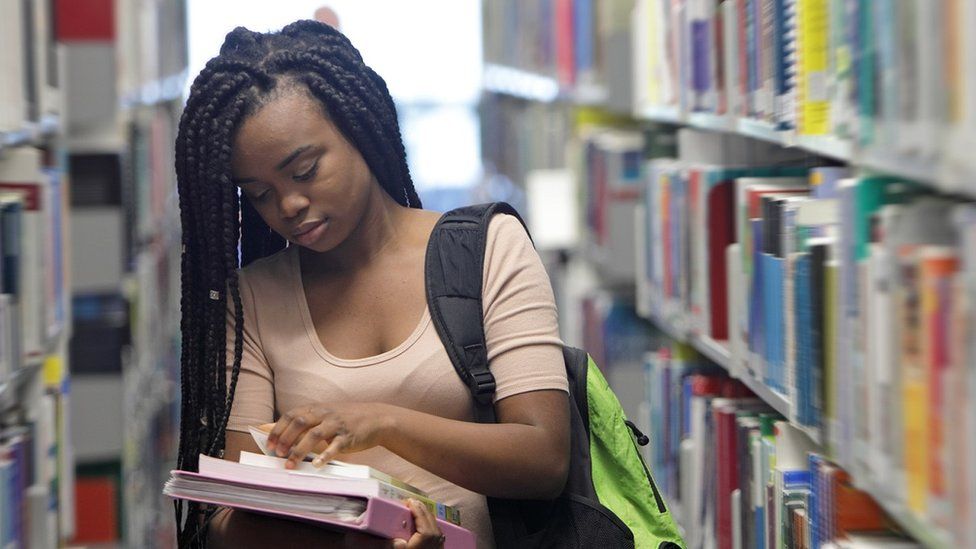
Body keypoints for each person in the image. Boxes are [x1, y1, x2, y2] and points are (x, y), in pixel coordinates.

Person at [173, 20, 570, 549]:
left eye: (306, 170)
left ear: (358, 130)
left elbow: (544, 459)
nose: (288, 205)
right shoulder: (251, 300)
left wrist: (382, 423)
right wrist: (357, 539)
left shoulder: (485, 249)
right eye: (261, 194)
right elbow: (228, 520)